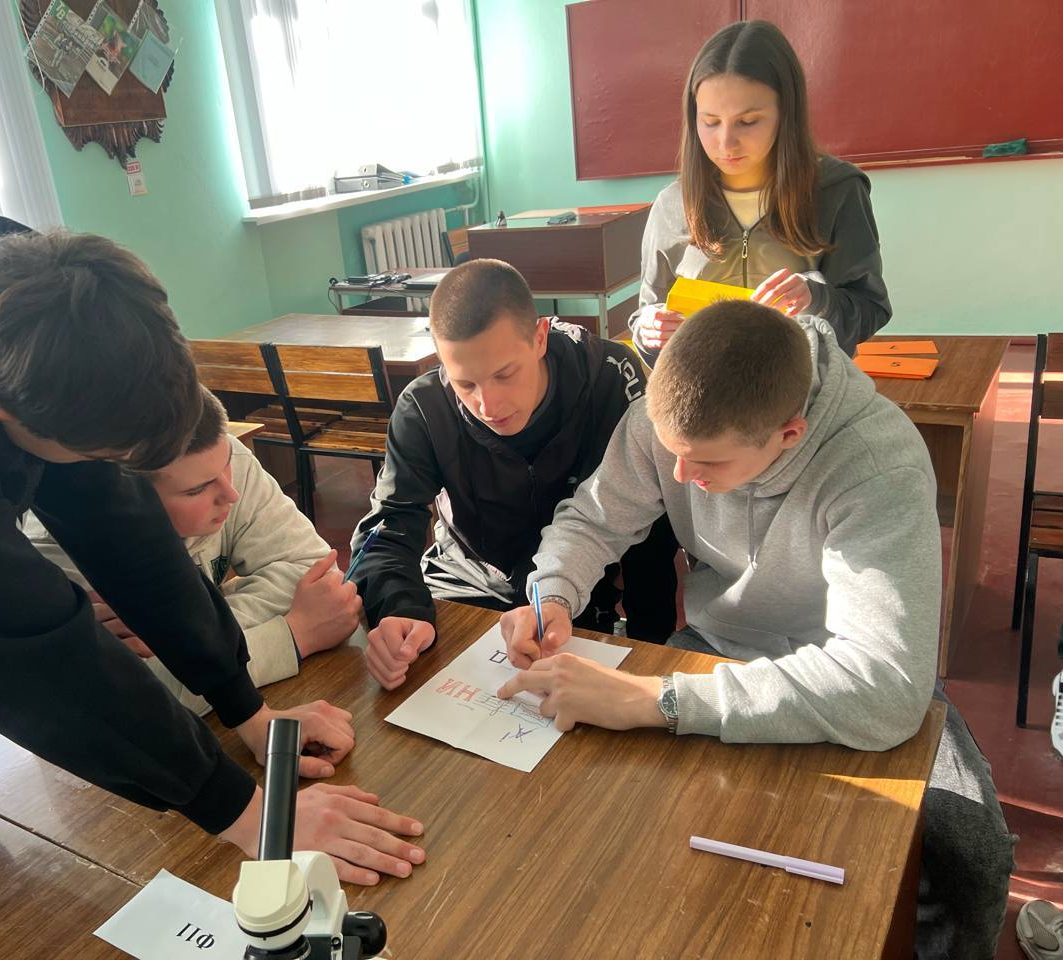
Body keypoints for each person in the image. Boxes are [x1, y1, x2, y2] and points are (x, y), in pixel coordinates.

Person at [0, 190, 424, 886]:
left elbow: (129, 537)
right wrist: (253, 817)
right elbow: (39, 658)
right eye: (102, 456)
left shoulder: (44, 329)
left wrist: (246, 708)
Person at [499, 300, 1014, 958]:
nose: (681, 478)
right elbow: (595, 519)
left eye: (706, 464)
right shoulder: (669, 419)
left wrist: (663, 701)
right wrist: (552, 592)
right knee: (625, 807)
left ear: (789, 434)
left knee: (972, 852)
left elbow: (884, 685)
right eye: (672, 454)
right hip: (718, 647)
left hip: (846, 663)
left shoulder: (876, 463)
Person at [0, 387, 366, 746]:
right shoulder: (59, 539)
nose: (230, 495)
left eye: (228, 469)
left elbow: (313, 573)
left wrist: (185, 629)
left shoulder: (213, 456)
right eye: (196, 490)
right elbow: (124, 695)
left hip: (161, 716)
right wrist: (292, 635)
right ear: (127, 503)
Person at [348, 257, 679, 691]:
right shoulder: (423, 407)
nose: (489, 406)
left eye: (505, 374)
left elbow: (651, 530)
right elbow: (387, 526)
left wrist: (650, 648)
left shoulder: (612, 378)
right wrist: (398, 608)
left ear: (539, 337)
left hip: (574, 597)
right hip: (466, 587)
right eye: (466, 384)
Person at [631, 19, 890, 367]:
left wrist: (817, 298)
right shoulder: (672, 204)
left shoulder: (837, 191)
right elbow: (647, 314)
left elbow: (870, 308)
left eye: (748, 121)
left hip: (806, 389)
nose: (726, 143)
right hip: (704, 390)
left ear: (786, 113)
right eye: (710, 121)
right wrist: (647, 330)